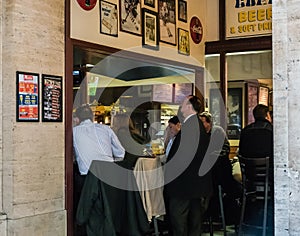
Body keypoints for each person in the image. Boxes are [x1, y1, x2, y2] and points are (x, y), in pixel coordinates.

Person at [164, 95, 212, 236]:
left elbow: (180, 158)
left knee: (179, 221)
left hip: (183, 184)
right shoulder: (197, 125)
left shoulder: (189, 127)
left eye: (183, 103)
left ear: (189, 107)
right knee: (194, 222)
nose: (181, 106)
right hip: (196, 183)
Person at [73, 104, 125, 176]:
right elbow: (121, 153)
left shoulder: (73, 132)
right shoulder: (106, 129)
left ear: (76, 119)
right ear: (92, 117)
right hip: (109, 175)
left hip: (87, 178)